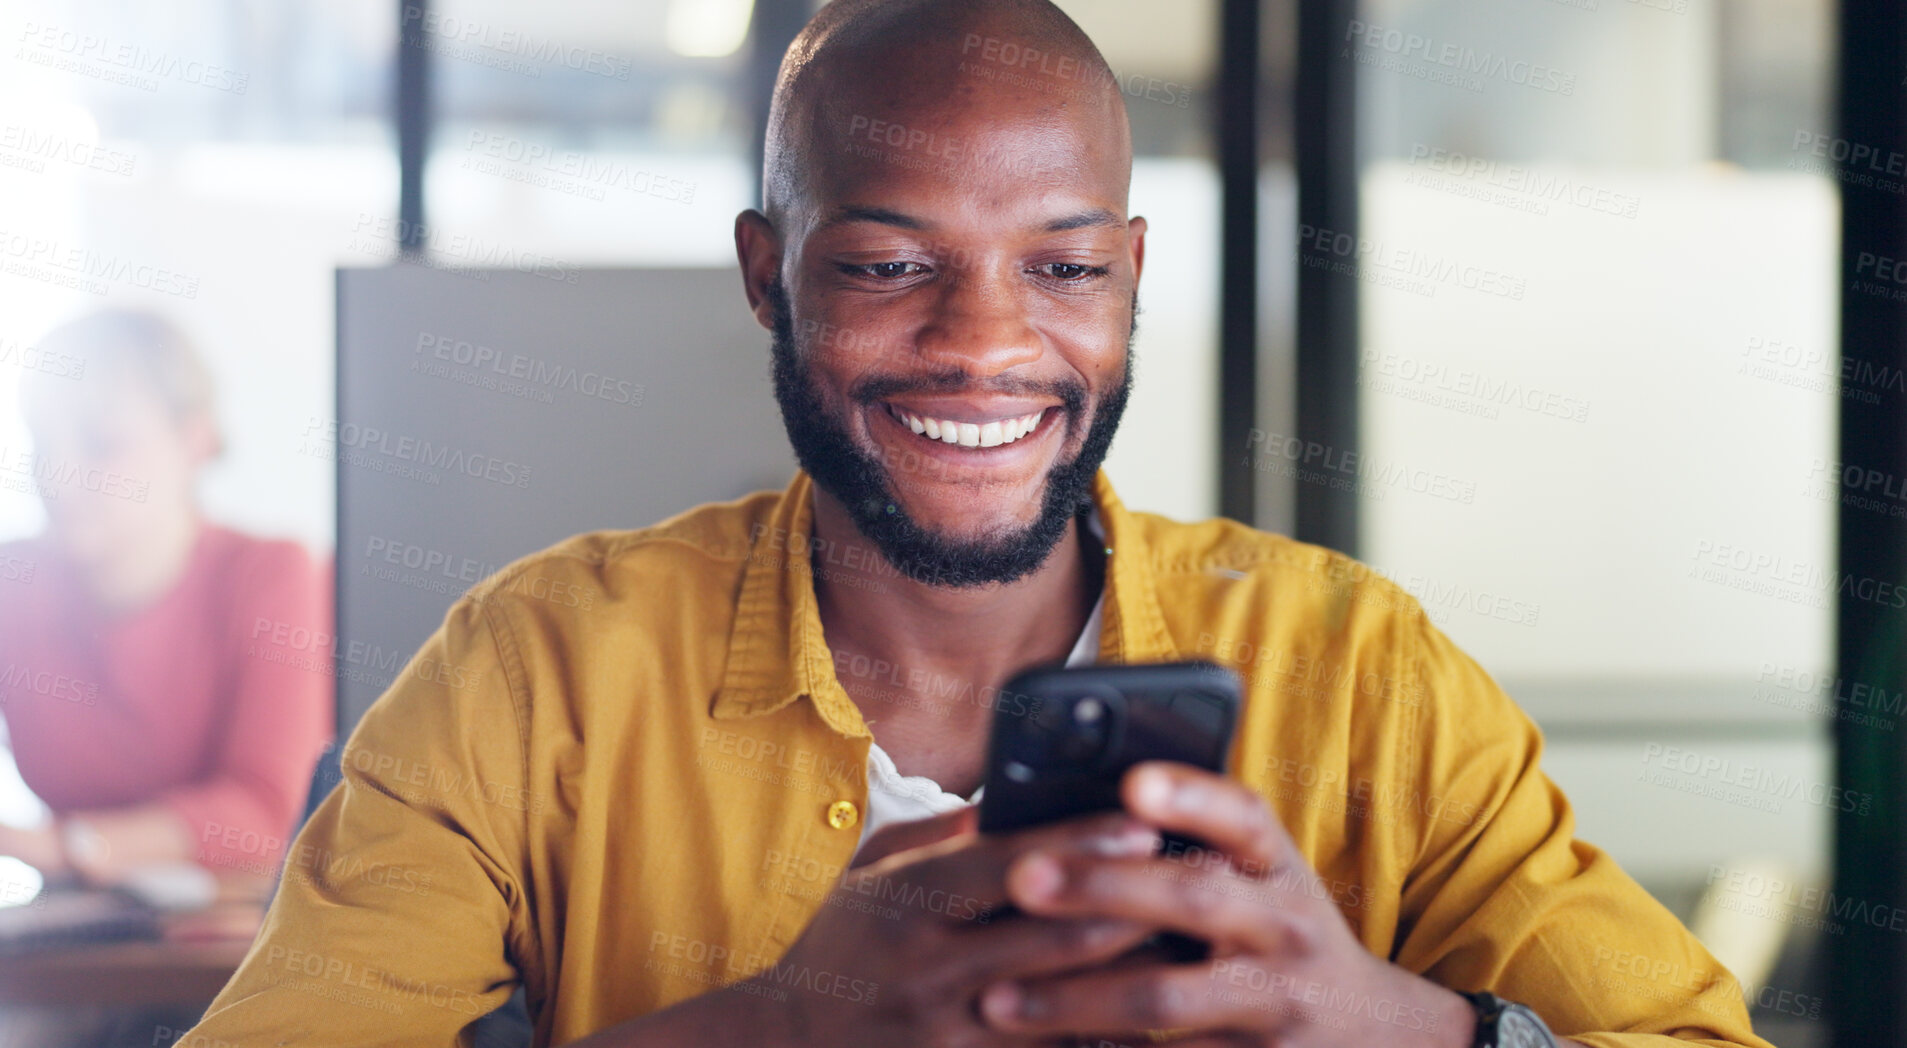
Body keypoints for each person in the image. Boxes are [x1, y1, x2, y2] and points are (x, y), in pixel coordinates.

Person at [181, 2, 1773, 1046]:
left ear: (1132, 276)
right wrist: (785, 1026)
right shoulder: (540, 667)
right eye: (885, 264)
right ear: (766, 272)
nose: (984, 343)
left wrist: (1372, 1015)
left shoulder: (1355, 669)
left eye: (1064, 268)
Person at [0, 309, 333, 896]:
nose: (59, 472)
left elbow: (268, 813)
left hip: (232, 945)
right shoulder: (16, 580)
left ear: (195, 441)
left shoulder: (272, 574)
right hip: (70, 941)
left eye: (102, 444)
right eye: (42, 442)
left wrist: (71, 846)